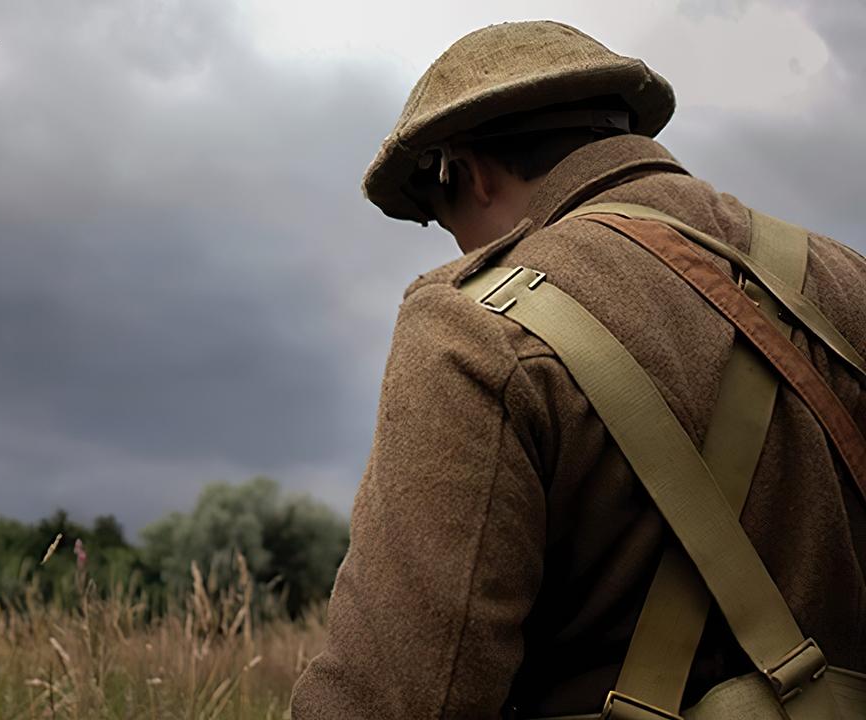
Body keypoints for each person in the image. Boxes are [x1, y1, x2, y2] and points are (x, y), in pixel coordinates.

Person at [290, 20, 866, 719]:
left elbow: (400, 693)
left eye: (446, 221)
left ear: (470, 175)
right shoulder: (846, 283)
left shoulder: (472, 328)